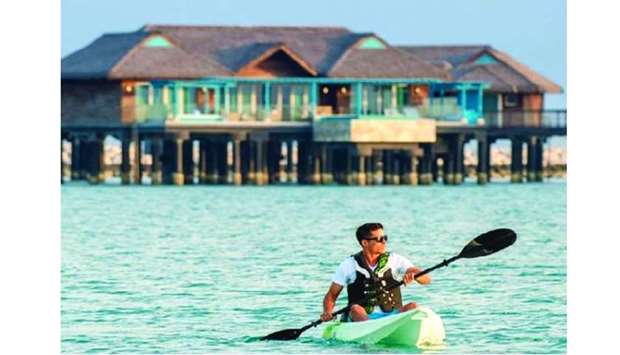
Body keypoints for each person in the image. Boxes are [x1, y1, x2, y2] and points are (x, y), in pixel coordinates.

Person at [320, 222, 431, 322]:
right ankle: (369, 333)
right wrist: (327, 312)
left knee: (413, 306)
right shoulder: (349, 265)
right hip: (362, 317)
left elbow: (426, 279)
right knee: (355, 308)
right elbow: (331, 295)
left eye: (385, 238)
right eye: (379, 239)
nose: (384, 242)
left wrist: (415, 276)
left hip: (393, 315)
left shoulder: (395, 259)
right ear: (364, 243)